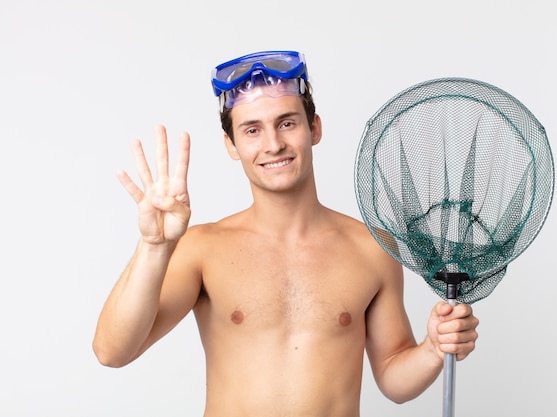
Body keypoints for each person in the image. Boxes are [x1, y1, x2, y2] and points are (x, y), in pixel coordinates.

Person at [93, 50, 479, 417]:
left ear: (314, 128)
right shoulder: (203, 249)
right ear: (231, 145)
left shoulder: (372, 247)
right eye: (252, 130)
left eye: (287, 123)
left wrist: (433, 347)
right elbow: (113, 351)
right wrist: (154, 246)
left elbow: (394, 377)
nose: (273, 144)